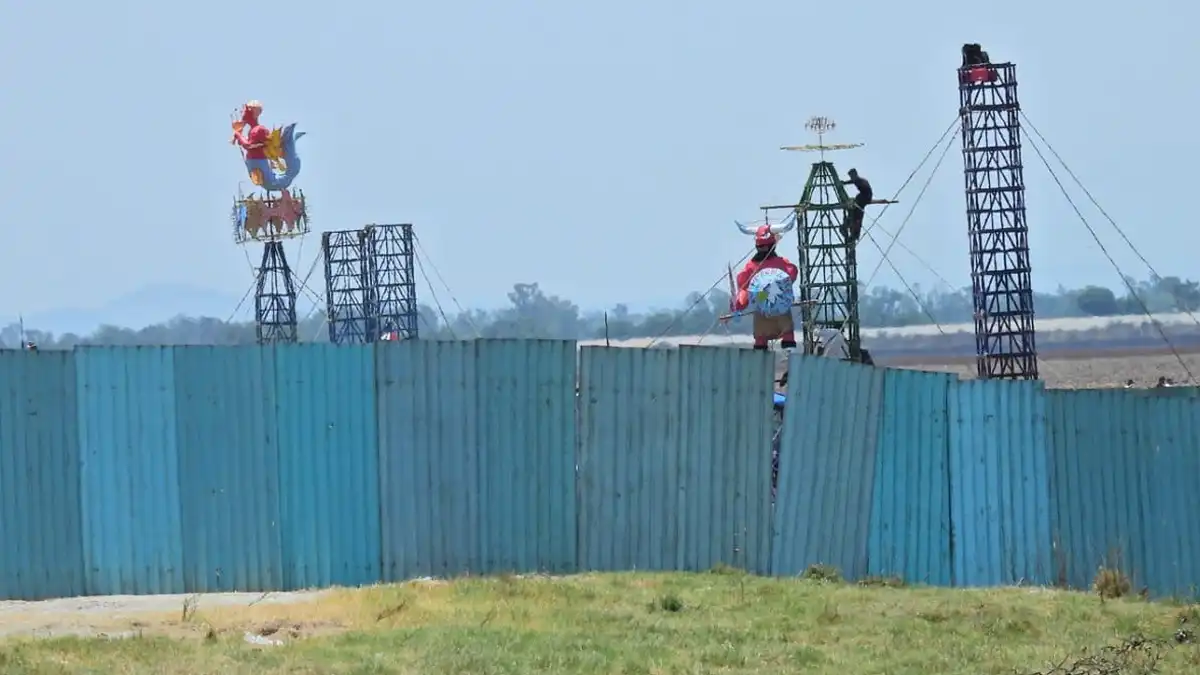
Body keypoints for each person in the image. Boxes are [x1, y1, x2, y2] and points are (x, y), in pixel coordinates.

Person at [733, 225, 799, 351]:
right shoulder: (753, 266)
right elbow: (745, 288)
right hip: (769, 302)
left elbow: (790, 274)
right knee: (764, 337)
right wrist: (739, 304)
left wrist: (740, 304)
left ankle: (786, 355)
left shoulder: (779, 263)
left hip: (774, 302)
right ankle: (766, 356)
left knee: (784, 335)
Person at [842, 168, 873, 243]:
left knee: (857, 216)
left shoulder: (861, 181)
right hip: (862, 196)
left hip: (865, 197)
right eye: (850, 176)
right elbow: (852, 181)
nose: (851, 178)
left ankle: (854, 234)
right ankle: (850, 229)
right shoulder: (856, 180)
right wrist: (845, 182)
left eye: (851, 176)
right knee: (854, 214)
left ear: (855, 174)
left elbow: (864, 187)